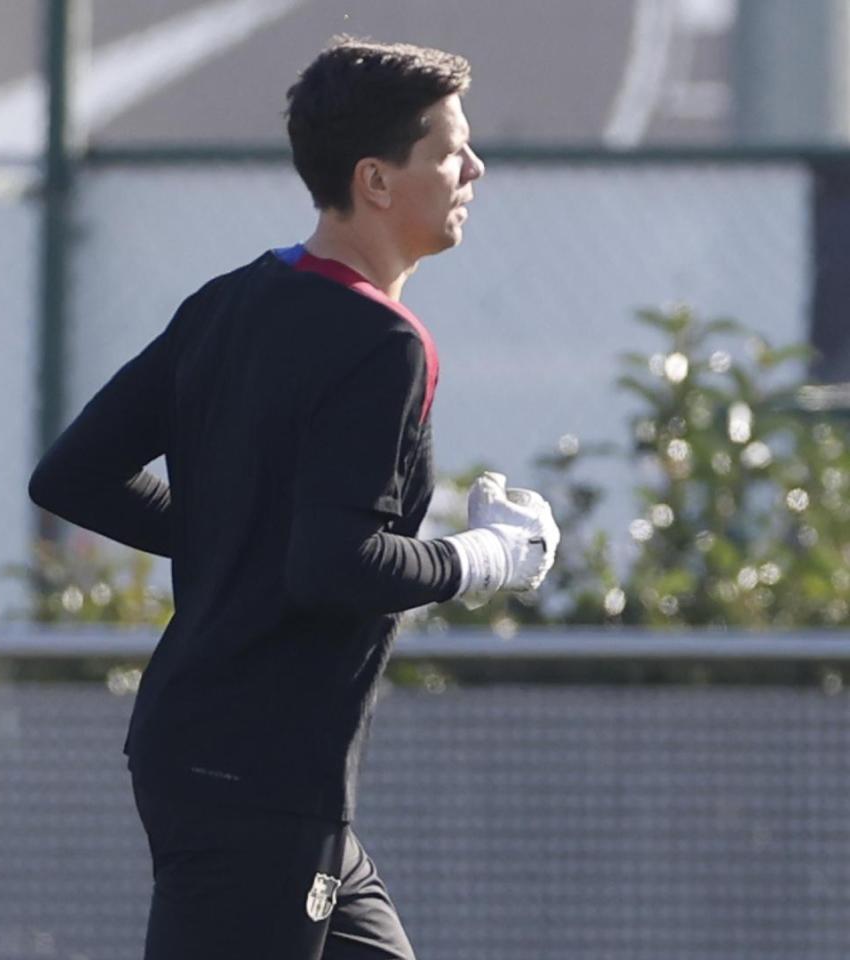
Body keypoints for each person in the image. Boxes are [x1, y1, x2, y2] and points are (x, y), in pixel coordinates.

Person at [28, 38, 558, 960]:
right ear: (375, 181)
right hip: (259, 774)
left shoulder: (229, 301)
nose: (474, 168)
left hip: (227, 760)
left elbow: (74, 473)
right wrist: (487, 561)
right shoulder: (386, 343)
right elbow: (336, 565)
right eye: (448, 151)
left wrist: (239, 539)